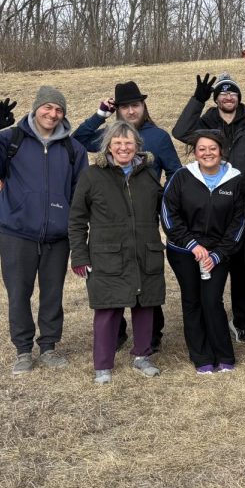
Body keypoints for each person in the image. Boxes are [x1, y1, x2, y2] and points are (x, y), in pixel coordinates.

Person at [0, 87, 88, 376]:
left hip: (57, 236)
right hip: (17, 233)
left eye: (59, 110)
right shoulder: (11, 139)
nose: (52, 114)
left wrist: (74, 227)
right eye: (48, 108)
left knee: (52, 294)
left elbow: (80, 194)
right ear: (36, 109)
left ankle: (49, 347)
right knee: (19, 293)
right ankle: (22, 350)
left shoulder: (73, 149)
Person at [73, 79, 180, 352]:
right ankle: (116, 334)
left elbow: (175, 173)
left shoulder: (158, 137)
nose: (131, 111)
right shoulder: (110, 135)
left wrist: (163, 195)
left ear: (144, 106)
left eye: (136, 105)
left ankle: (151, 338)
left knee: (146, 279)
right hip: (111, 219)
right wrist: (99, 115)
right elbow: (78, 140)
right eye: (124, 107)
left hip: (145, 217)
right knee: (114, 279)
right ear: (117, 110)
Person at [68, 121, 165, 385]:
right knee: (107, 309)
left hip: (145, 252)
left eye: (129, 143)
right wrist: (79, 255)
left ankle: (142, 356)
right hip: (107, 255)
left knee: (145, 305)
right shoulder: (92, 175)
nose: (123, 147)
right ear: (108, 145)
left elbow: (162, 211)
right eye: (118, 142)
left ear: (137, 146)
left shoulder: (148, 174)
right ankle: (103, 365)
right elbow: (77, 219)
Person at [172, 72, 245, 343]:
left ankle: (241, 322)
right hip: (210, 212)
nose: (228, 96)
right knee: (210, 271)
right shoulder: (205, 126)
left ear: (239, 99)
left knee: (241, 272)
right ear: (216, 99)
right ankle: (208, 318)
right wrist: (197, 100)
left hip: (239, 209)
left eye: (233, 92)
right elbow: (180, 132)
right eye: (222, 93)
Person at [161, 130, 245, 374]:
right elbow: (168, 214)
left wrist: (218, 254)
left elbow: (239, 222)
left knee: (212, 300)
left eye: (212, 148)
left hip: (218, 253)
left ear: (221, 151)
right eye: (202, 149)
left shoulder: (235, 179)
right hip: (183, 251)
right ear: (195, 153)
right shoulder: (181, 177)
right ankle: (201, 356)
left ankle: (224, 355)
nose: (207, 153)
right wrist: (192, 245)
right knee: (192, 300)